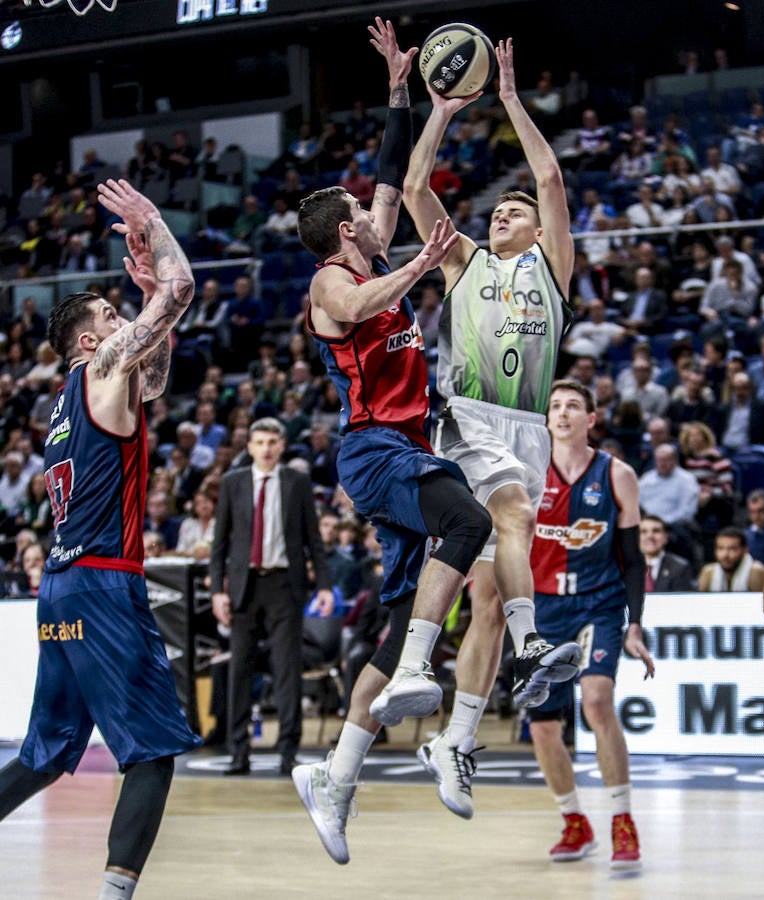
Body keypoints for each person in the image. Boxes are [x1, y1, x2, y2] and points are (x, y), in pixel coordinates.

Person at [291, 19, 492, 865]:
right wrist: (420, 265)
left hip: (401, 446)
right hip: (374, 452)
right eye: (361, 217)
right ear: (347, 233)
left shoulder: (365, 247)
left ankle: (334, 775)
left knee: (394, 619)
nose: (376, 213)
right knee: (470, 524)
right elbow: (365, 304)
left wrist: (407, 93)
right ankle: (419, 673)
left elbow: (384, 172)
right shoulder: (329, 281)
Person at [0, 178, 201, 900]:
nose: (125, 319)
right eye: (113, 314)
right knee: (152, 753)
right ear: (91, 339)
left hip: (59, 593)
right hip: (105, 586)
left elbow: (153, 378)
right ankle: (114, 894)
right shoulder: (103, 367)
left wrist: (150, 309)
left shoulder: (64, 400)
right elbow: (181, 287)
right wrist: (151, 222)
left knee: (48, 754)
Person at [402, 38, 583, 819]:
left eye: (515, 212)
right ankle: (532, 642)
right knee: (509, 518)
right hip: (468, 415)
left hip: (527, 428)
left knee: (482, 597)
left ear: (539, 233)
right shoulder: (464, 262)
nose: (504, 212)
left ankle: (457, 741)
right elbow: (413, 187)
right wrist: (439, 112)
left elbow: (548, 176)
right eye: (497, 211)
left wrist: (510, 95)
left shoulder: (552, 268)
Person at [527, 380, 654, 869]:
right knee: (543, 728)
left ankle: (623, 819)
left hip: (599, 601)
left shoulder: (617, 474)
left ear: (590, 419)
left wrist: (636, 624)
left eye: (573, 406)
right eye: (555, 405)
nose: (562, 413)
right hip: (542, 606)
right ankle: (574, 821)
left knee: (597, 700)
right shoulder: (529, 472)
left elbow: (633, 559)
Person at [210, 417, 333, 777]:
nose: (266, 448)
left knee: (287, 670)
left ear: (281, 446)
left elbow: (314, 540)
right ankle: (238, 752)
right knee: (239, 671)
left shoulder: (297, 482)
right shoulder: (233, 482)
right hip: (244, 585)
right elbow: (219, 545)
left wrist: (324, 585)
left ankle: (287, 752)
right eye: (259, 442)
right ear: (249, 447)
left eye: (272, 442)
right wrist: (218, 590)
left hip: (284, 584)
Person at [698, 526, 764, 592]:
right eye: (720, 548)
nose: (725, 555)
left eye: (732, 549)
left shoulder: (756, 571)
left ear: (744, 551)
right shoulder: (708, 573)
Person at [639, 514, 695, 591]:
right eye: (643, 531)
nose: (650, 536)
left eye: (656, 531)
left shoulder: (680, 568)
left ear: (665, 537)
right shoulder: (625, 567)